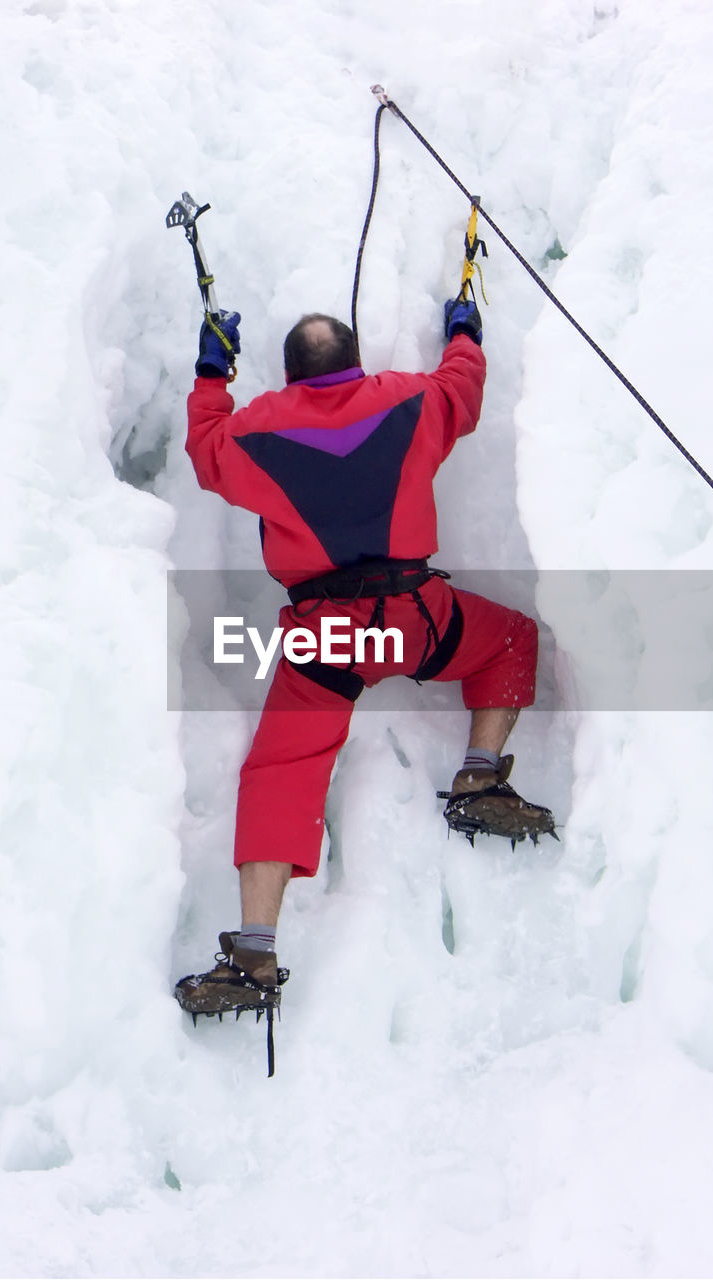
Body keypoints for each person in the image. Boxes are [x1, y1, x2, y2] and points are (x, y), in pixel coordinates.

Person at [175, 300, 555, 1018]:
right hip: (416, 618)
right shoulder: (411, 400)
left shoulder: (258, 430)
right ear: (355, 362)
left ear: (289, 376)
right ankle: (479, 778)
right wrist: (466, 326)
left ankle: (254, 952)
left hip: (328, 638)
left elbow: (205, 448)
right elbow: (463, 386)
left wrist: (212, 368)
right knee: (510, 639)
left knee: (281, 770)